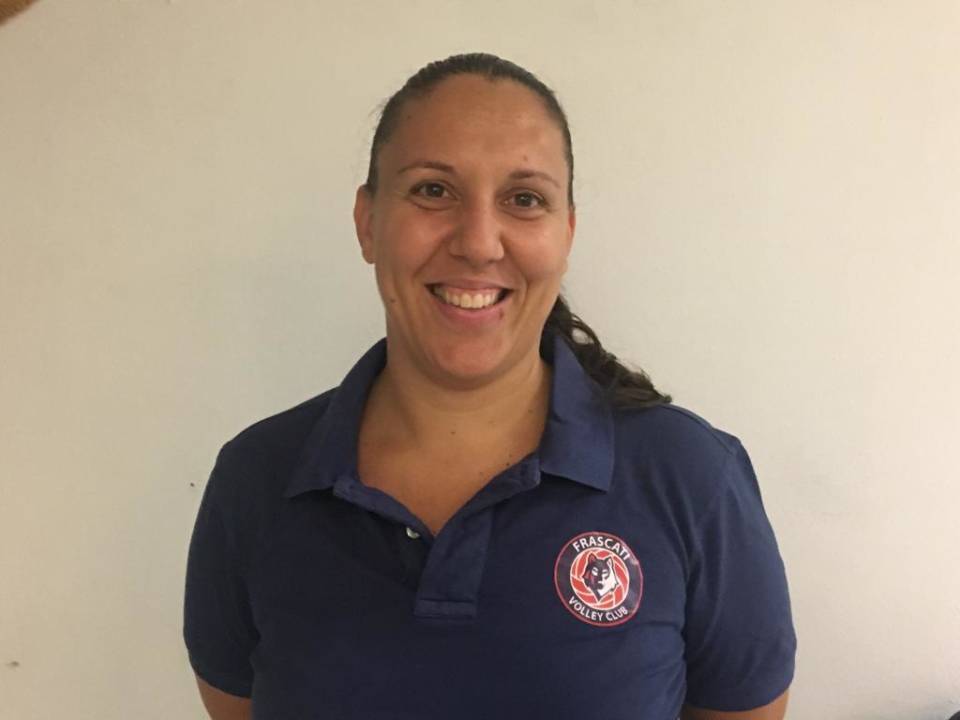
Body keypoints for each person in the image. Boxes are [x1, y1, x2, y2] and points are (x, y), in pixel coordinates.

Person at [183, 52, 796, 720]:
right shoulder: (255, 480)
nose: (478, 243)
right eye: (433, 190)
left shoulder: (691, 479)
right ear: (367, 222)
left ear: (566, 233)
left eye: (524, 199)